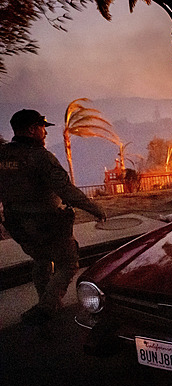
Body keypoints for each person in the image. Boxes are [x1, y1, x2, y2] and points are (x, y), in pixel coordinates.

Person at [0, 109, 107, 324]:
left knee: (40, 260)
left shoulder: (3, 155)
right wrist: (95, 208)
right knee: (68, 264)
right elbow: (66, 190)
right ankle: (47, 308)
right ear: (32, 129)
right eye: (42, 128)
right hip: (46, 223)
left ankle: (44, 303)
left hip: (17, 223)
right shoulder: (40, 157)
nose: (45, 133)